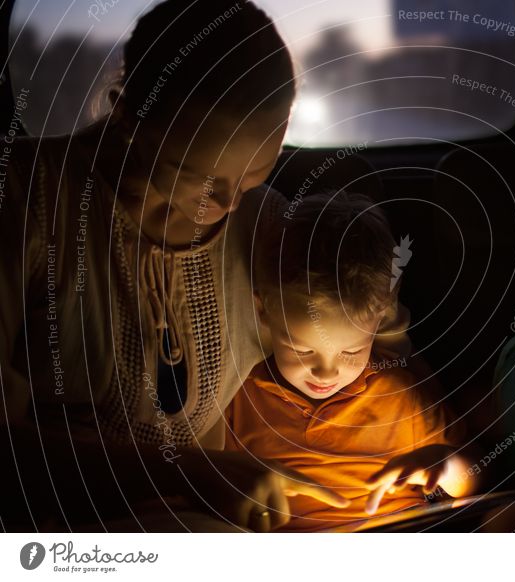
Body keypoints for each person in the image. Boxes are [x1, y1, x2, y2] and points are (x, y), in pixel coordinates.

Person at [0, 0, 414, 532]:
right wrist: (181, 474)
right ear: (127, 113)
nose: (228, 206)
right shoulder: (26, 204)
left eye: (251, 178)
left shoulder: (261, 226)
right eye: (194, 176)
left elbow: (368, 313)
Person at [225, 192, 475, 531]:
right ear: (263, 311)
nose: (326, 372)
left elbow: (476, 477)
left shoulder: (400, 395)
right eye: (301, 350)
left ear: (381, 321)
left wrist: (445, 467)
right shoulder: (243, 400)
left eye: (351, 352)